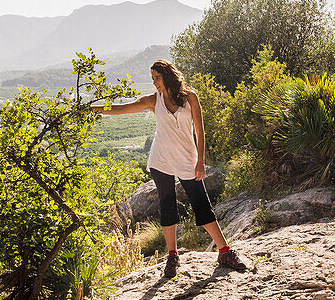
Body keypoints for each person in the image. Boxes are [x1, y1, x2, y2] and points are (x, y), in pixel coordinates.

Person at [92, 59, 247, 278]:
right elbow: (120, 109)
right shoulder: (153, 100)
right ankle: (172, 256)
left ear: (168, 76)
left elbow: (200, 131)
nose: (154, 83)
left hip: (187, 159)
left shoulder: (190, 97)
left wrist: (200, 160)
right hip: (161, 159)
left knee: (201, 204)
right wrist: (92, 109)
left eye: (157, 78)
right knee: (167, 206)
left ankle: (224, 251)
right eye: (152, 79)